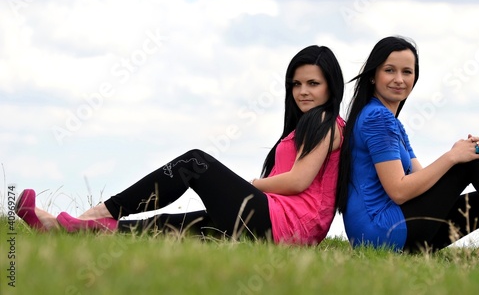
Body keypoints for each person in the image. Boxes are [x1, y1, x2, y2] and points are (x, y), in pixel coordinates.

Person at [15, 45, 345, 245]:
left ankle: (97, 213)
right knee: (171, 226)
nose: (303, 91)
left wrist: (249, 185)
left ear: (331, 87)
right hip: (280, 226)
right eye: (297, 84)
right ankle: (63, 228)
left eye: (313, 84)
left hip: (287, 226)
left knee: (194, 163)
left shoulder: (326, 123)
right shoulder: (304, 126)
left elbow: (299, 181)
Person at [336, 36, 479, 252]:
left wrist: (458, 153)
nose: (399, 79)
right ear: (373, 76)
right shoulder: (377, 118)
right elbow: (399, 191)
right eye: (389, 70)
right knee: (471, 165)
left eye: (407, 72)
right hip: (381, 232)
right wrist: (454, 158)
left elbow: (422, 184)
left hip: (390, 233)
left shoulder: (392, 123)